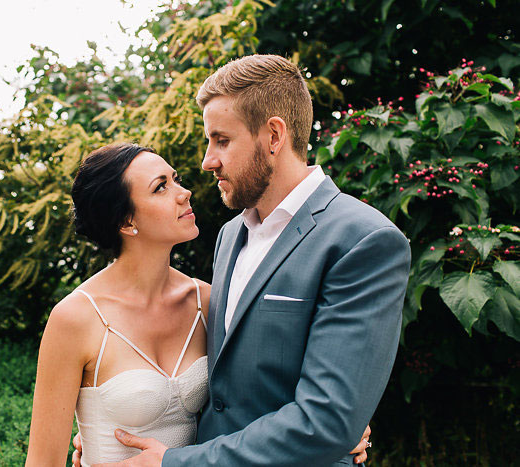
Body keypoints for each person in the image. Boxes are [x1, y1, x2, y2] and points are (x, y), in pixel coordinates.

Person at [83, 55, 410, 466]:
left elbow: (326, 422)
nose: (207, 160)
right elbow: (223, 392)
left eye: (221, 140)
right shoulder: (229, 236)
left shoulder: (363, 240)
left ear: (273, 135)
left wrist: (176, 464)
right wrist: (105, 433)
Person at [26, 142, 372, 466]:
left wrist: (335, 427)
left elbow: (264, 388)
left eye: (176, 179)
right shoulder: (76, 318)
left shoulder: (207, 300)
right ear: (125, 221)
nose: (184, 192)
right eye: (161, 187)